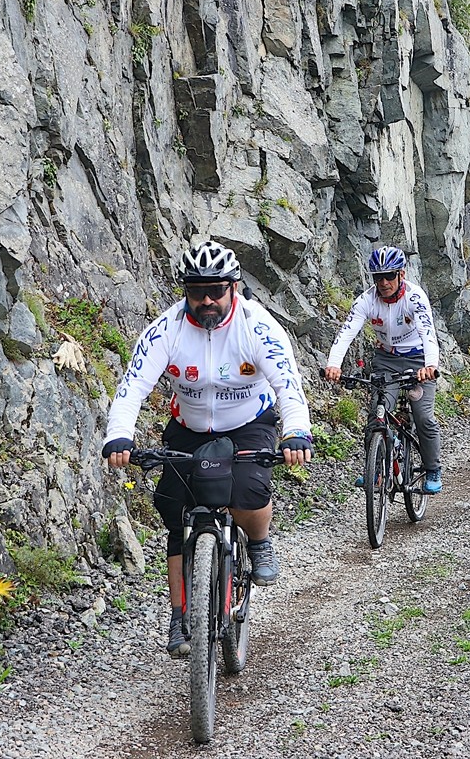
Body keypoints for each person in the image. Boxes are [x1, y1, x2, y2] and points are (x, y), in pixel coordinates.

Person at [102, 240, 313, 657]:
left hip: (249, 423)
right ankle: (180, 617)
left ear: (234, 287)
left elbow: (288, 385)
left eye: (217, 289)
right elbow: (131, 388)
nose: (208, 300)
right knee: (174, 510)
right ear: (185, 291)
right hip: (189, 426)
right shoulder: (167, 329)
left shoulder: (257, 326)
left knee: (249, 490)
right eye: (197, 291)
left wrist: (296, 432)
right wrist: (119, 435)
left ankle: (258, 540)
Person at [324, 246, 443, 493]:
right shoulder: (367, 300)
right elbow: (347, 332)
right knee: (377, 414)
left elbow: (428, 333)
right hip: (386, 360)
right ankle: (376, 471)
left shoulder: (415, 297)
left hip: (418, 360)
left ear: (401, 274)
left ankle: (433, 469)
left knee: (423, 417)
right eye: (378, 277)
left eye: (390, 276)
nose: (384, 282)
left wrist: (430, 366)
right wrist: (333, 364)